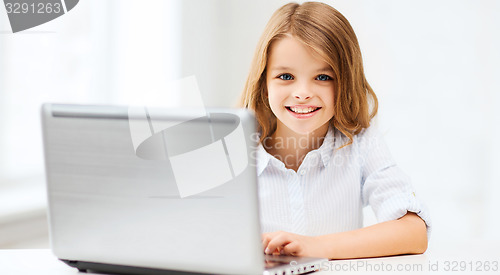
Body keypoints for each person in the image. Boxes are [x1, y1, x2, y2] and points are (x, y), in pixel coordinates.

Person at [239, 1, 430, 259]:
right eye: (286, 76)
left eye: (323, 77)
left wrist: (316, 247)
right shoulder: (234, 146)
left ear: (345, 84)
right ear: (264, 84)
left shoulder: (360, 141)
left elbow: (414, 232)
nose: (303, 93)